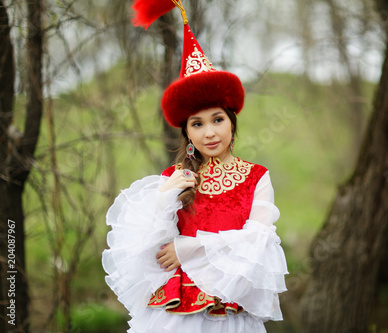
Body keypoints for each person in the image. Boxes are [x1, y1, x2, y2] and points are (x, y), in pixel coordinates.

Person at [102, 1, 288, 332]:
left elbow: (258, 242)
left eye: (217, 119)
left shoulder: (257, 178)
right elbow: (151, 255)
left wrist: (189, 247)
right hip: (175, 318)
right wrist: (164, 200)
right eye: (197, 124)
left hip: (231, 313)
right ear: (186, 132)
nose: (210, 132)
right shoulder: (175, 179)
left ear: (232, 122)